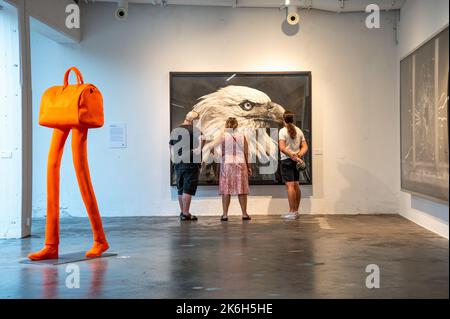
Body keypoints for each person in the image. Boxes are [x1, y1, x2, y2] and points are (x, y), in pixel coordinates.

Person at [211, 117, 252, 221]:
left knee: (226, 189)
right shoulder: (242, 136)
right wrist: (249, 167)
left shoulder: (223, 135)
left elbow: (212, 146)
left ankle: (225, 215)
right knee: (241, 189)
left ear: (226, 124)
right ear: (237, 125)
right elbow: (246, 152)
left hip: (227, 164)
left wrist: (216, 155)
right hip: (241, 163)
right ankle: (244, 214)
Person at [169, 111, 203, 221]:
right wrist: (199, 149)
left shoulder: (176, 130)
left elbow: (170, 146)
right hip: (191, 162)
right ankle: (186, 213)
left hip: (178, 162)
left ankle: (182, 212)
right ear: (193, 120)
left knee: (181, 188)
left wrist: (173, 158)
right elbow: (203, 138)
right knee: (188, 188)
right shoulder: (195, 130)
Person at [278, 111, 308, 219]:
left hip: (287, 160)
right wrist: (298, 156)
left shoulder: (282, 131)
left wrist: (292, 155)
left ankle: (291, 212)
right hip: (296, 160)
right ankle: (295, 211)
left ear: (283, 119)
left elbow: (282, 147)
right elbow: (305, 147)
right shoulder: (299, 130)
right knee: (296, 185)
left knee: (290, 186)